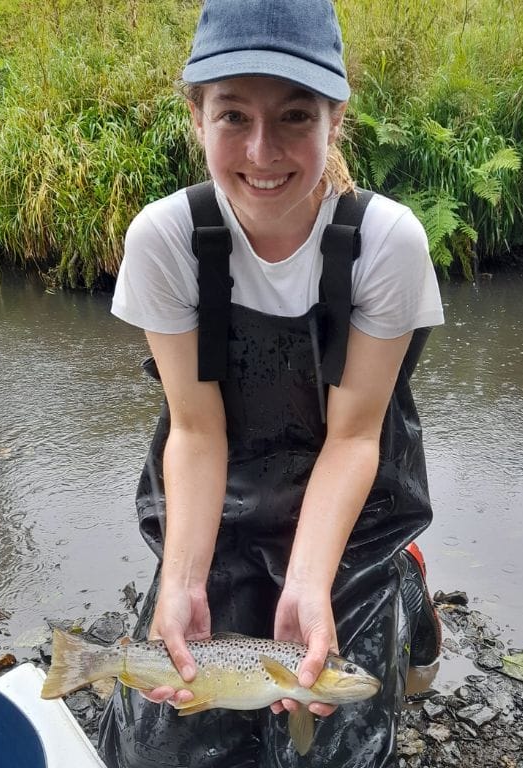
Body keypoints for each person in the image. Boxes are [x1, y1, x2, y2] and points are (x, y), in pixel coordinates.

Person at [98, 0, 444, 765]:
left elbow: (355, 437)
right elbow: (195, 429)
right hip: (218, 504)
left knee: (329, 743)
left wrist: (310, 582)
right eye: (231, 116)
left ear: (336, 121)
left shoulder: (386, 243)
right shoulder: (166, 240)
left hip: (351, 509)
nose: (262, 151)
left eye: (294, 116)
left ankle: (399, 585)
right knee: (161, 746)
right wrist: (183, 580)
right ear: (196, 117)